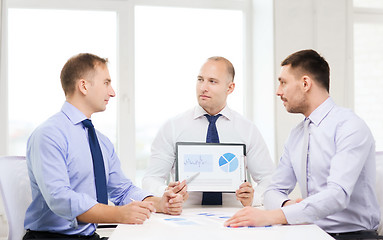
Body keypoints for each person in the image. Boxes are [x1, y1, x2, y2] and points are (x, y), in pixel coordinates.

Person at [23, 53, 183, 240]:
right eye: (106, 83)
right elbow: (60, 199)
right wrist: (119, 214)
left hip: (89, 236)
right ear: (83, 86)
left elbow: (123, 190)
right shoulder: (49, 134)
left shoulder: (101, 141)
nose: (113, 92)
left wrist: (159, 203)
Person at [224, 49, 380, 239]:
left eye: (283, 82)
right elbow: (273, 190)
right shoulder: (297, 134)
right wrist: (287, 207)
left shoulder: (350, 126)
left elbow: (337, 195)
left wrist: (271, 216)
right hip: (308, 231)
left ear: (305, 83)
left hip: (352, 236)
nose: (278, 91)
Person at [142, 56, 275, 207]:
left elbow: (269, 179)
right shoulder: (172, 127)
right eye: (200, 79)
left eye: (212, 81)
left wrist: (253, 198)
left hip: (234, 217)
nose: (203, 87)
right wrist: (167, 192)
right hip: (184, 217)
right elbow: (151, 179)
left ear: (230, 88)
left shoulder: (247, 129)